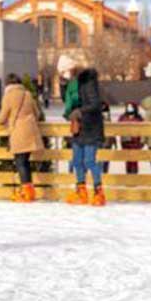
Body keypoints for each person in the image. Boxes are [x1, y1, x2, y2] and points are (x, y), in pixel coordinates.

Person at [59, 55, 106, 206]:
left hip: (91, 126)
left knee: (89, 161)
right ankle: (81, 191)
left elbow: (95, 104)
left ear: (72, 68)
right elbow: (66, 100)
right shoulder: (71, 83)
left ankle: (99, 192)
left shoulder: (88, 81)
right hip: (78, 127)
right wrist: (62, 84)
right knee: (77, 161)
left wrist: (79, 111)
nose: (65, 74)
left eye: (65, 72)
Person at [0, 73, 44, 203]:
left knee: (20, 162)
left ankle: (26, 192)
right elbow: (38, 114)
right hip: (31, 131)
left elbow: (2, 117)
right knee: (25, 161)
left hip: (18, 131)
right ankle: (29, 190)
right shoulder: (27, 94)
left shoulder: (9, 96)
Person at [118, 103, 145, 175]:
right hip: (125, 142)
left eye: (131, 107)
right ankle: (128, 177)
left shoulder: (139, 118)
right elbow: (118, 128)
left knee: (134, 160)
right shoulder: (122, 117)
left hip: (136, 142)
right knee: (128, 160)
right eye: (128, 107)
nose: (130, 108)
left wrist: (142, 141)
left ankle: (134, 177)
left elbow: (143, 130)